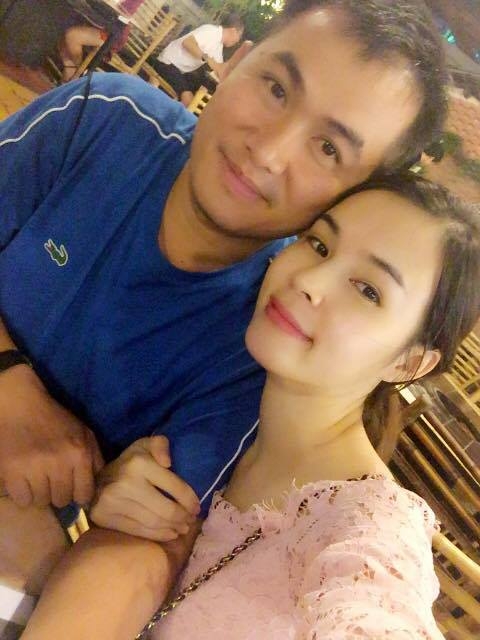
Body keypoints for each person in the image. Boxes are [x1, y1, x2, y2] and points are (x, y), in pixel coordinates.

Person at [0, 0, 447, 630]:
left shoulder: (268, 337)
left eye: (327, 147)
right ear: (235, 62)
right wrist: (12, 387)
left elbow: (144, 541)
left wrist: (120, 497)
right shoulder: (104, 120)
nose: (269, 152)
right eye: (276, 88)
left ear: (353, 196)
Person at [22, 175, 480, 639]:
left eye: (368, 290)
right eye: (319, 245)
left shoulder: (367, 530)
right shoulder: (220, 425)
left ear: (408, 362)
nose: (309, 280)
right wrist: (108, 487)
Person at [149, 12, 245, 105]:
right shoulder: (211, 31)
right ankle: (155, 93)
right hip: (167, 63)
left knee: (197, 94)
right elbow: (187, 42)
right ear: (233, 31)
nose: (237, 41)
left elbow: (219, 68)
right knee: (189, 100)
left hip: (179, 71)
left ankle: (158, 94)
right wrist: (207, 59)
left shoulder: (219, 46)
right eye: (239, 36)